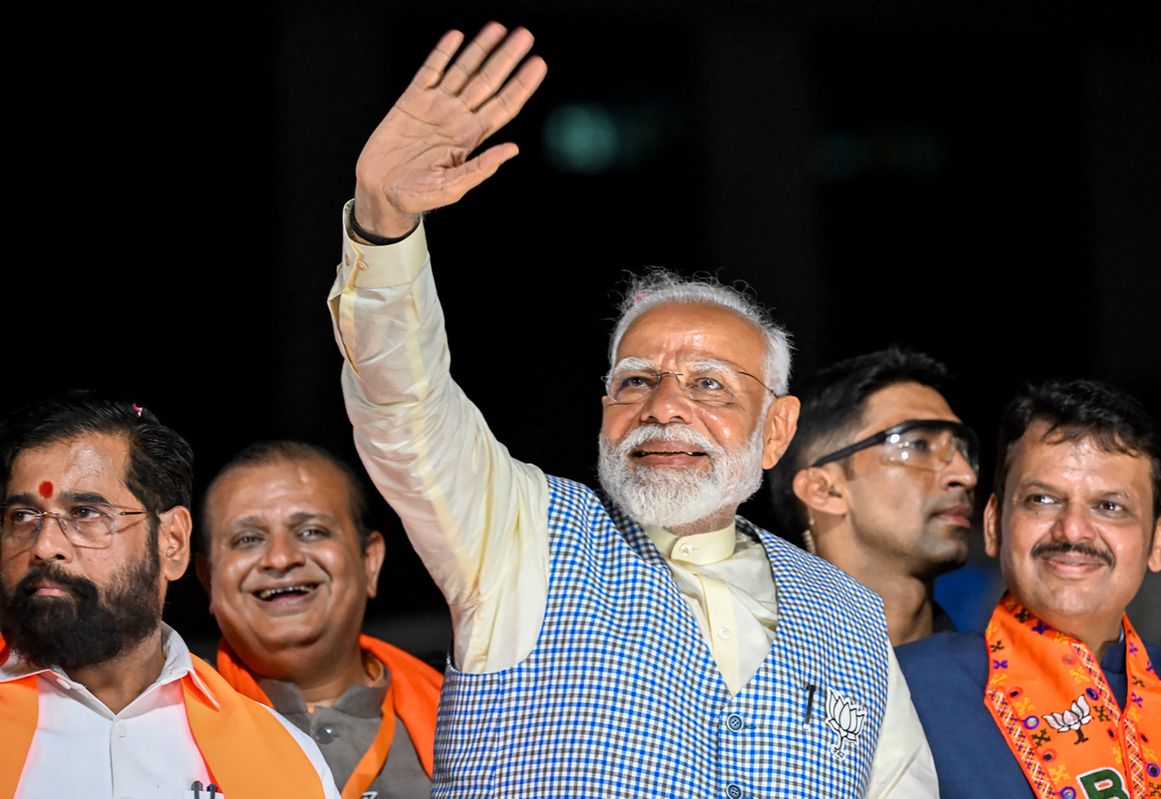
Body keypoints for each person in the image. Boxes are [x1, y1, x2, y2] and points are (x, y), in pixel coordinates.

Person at [330, 21, 937, 797]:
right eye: (636, 381)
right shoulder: (520, 536)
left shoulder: (849, 615)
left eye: (711, 384)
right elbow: (405, 402)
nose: (665, 408)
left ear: (777, 428)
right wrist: (383, 225)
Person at [0, 393, 339, 799]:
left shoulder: (285, 760)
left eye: (85, 513)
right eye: (23, 516)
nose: (44, 545)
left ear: (172, 543)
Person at [897, 379, 1161, 799]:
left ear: (1158, 541)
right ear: (993, 524)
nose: (1073, 529)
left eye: (1110, 507)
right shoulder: (907, 686)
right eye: (1042, 500)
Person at [196, 440, 442, 799]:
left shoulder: (467, 722)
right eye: (248, 539)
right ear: (209, 581)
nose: (280, 558)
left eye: (311, 531)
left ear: (369, 562)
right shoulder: (159, 726)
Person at [768, 347, 980, 645]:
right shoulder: (742, 669)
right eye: (918, 444)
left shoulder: (995, 682)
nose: (965, 475)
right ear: (823, 489)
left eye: (962, 450)